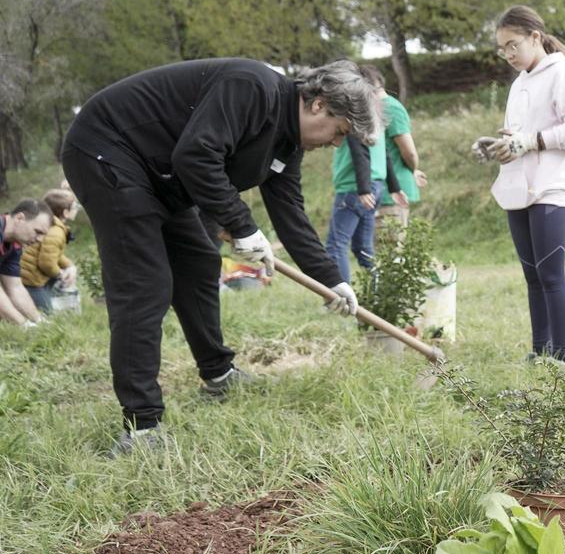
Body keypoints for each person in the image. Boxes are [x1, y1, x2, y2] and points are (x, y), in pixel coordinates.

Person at [61, 58, 376, 456]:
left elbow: (289, 210)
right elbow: (196, 155)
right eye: (339, 132)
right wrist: (241, 225)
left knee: (198, 261)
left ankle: (218, 373)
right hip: (108, 150)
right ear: (318, 105)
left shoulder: (287, 142)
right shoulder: (252, 88)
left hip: (160, 175)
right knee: (145, 286)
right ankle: (142, 428)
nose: (334, 144)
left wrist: (331, 278)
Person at [472, 5, 565, 362]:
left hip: (551, 186)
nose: (508, 54)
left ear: (536, 37)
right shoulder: (519, 83)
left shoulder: (562, 74)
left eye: (513, 45)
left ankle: (560, 360)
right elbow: (519, 137)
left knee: (551, 274)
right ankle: (539, 351)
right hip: (518, 186)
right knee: (532, 277)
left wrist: (530, 141)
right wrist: (499, 146)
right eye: (502, 48)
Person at [324, 65, 403, 282]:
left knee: (336, 244)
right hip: (376, 187)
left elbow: (359, 152)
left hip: (355, 189)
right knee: (362, 247)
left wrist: (363, 188)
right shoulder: (376, 115)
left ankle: (340, 297)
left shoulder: (354, 113)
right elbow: (384, 154)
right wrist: (394, 187)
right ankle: (379, 291)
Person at [363, 66, 426, 226]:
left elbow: (409, 152)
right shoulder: (373, 109)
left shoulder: (390, 107)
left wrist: (413, 169)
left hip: (391, 192)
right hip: (377, 191)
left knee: (390, 247)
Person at [20, 188, 79, 314]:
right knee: (47, 313)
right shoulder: (56, 232)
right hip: (31, 280)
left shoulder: (52, 225)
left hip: (30, 275)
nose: (77, 209)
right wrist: (61, 275)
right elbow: (47, 263)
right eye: (74, 207)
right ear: (66, 213)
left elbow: (54, 253)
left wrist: (69, 265)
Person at [0, 199, 52, 327]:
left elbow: (15, 287)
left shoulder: (15, 245)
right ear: (19, 218)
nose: (40, 240)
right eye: (38, 232)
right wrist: (24, 325)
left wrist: (39, 322)